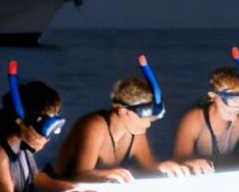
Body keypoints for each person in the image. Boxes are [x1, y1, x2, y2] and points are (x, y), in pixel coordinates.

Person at [50, 74, 189, 183]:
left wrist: (166, 167)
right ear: (123, 111)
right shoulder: (94, 126)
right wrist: (107, 174)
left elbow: (149, 167)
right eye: (145, 113)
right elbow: (78, 176)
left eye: (154, 113)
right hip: (59, 190)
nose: (150, 121)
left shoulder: (135, 132)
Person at [171, 63, 239, 173]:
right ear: (213, 96)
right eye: (229, 99)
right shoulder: (195, 120)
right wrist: (190, 164)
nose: (236, 107)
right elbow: (179, 159)